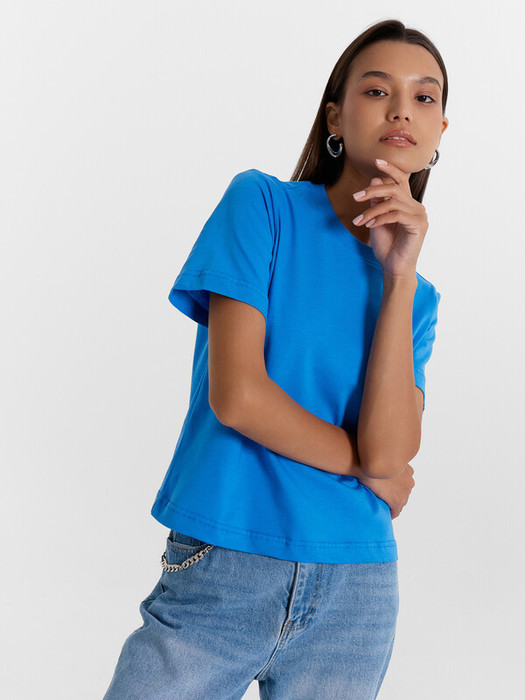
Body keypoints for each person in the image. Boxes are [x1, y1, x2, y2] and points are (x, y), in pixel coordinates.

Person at [103, 18, 449, 700]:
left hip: (356, 588)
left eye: (424, 97)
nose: (401, 110)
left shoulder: (418, 297)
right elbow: (239, 396)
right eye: (376, 90)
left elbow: (389, 453)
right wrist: (361, 464)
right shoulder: (261, 206)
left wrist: (398, 279)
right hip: (226, 559)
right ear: (335, 118)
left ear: (440, 132)